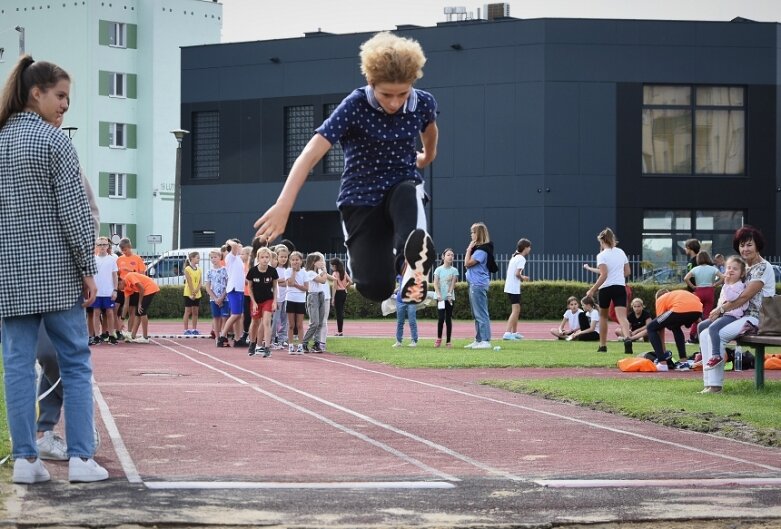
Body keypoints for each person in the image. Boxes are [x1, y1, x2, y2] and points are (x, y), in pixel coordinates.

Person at [254, 31, 439, 305]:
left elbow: (430, 129)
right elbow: (309, 154)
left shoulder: (422, 103)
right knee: (375, 288)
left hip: (401, 186)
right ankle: (387, 273)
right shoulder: (354, 106)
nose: (395, 103)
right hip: (360, 200)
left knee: (407, 192)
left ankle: (412, 267)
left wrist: (426, 157)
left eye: (402, 93)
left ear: (412, 83)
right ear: (371, 81)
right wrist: (284, 205)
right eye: (387, 94)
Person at [0, 54, 108, 483]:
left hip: (10, 274)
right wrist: (87, 267)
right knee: (76, 362)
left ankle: (26, 460)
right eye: (61, 96)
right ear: (36, 93)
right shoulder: (54, 141)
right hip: (57, 274)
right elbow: (75, 212)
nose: (65, 105)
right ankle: (82, 459)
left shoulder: (1, 140)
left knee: (16, 364)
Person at [699, 226, 773, 393]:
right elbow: (727, 292)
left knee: (717, 333)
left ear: (757, 246)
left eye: (749, 245)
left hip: (757, 317)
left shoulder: (763, 267)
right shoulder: (742, 268)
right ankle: (709, 384)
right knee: (704, 333)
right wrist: (720, 309)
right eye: (741, 245)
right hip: (739, 315)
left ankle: (715, 386)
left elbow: (745, 296)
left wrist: (721, 310)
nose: (744, 249)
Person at [697, 255, 748, 372]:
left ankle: (716, 355)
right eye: (729, 268)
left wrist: (725, 283)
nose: (731, 271)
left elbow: (731, 298)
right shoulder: (729, 285)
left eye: (735, 269)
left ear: (741, 273)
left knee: (713, 328)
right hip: (723, 314)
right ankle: (703, 354)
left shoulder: (740, 285)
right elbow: (721, 302)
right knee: (701, 325)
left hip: (732, 316)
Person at [586, 227, 632, 353]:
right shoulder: (621, 252)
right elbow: (628, 272)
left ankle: (602, 346)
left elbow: (604, 274)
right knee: (622, 317)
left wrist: (592, 290)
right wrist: (617, 276)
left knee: (603, 317)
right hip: (619, 287)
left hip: (605, 288)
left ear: (602, 241)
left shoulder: (601, 255)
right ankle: (627, 338)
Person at [645, 288, 703, 364]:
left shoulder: (661, 299)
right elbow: (700, 323)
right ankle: (683, 361)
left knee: (651, 327)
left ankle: (662, 363)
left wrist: (663, 353)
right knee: (675, 327)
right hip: (698, 308)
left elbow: (660, 329)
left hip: (680, 309)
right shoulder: (676, 296)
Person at [464, 222, 495, 349]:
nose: (471, 234)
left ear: (479, 234)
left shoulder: (482, 250)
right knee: (476, 313)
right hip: (474, 283)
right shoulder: (480, 249)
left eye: (473, 232)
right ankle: (479, 339)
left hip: (478, 284)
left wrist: (468, 249)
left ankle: (485, 340)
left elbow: (467, 263)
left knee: (481, 313)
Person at [246, 246, 278, 357]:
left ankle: (267, 347)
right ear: (258, 258)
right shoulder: (253, 271)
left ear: (269, 258)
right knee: (255, 323)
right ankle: (252, 343)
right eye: (262, 257)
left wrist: (275, 301)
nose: (265, 259)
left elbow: (275, 287)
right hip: (256, 301)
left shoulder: (272, 271)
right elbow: (249, 288)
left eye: (267, 257)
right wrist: (253, 302)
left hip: (268, 300)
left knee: (266, 322)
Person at [683, 251, 722, 343]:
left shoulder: (696, 269)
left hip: (699, 291)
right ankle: (705, 333)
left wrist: (693, 286)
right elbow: (723, 277)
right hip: (709, 290)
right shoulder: (713, 268)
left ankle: (693, 335)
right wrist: (716, 284)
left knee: (697, 314)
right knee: (707, 314)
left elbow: (686, 278)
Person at [89, 236, 119, 345]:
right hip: (96, 292)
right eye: (99, 245)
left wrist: (115, 290)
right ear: (96, 246)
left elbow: (115, 276)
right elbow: (90, 276)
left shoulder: (112, 259)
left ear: (107, 246)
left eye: (104, 244)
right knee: (96, 312)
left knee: (110, 312)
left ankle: (111, 335)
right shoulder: (93, 259)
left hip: (108, 291)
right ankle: (97, 336)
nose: (102, 247)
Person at [115, 238, 146, 340]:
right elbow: (116, 274)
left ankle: (129, 332)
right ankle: (117, 331)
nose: (124, 252)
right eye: (122, 251)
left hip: (134, 288)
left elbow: (142, 274)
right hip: (122, 288)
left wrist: (130, 270)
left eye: (125, 250)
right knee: (116, 309)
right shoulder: (119, 259)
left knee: (132, 311)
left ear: (130, 247)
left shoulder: (137, 259)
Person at [119, 271, 160, 343]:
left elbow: (142, 289)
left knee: (142, 311)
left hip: (149, 288)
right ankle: (132, 336)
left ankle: (145, 337)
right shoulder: (126, 289)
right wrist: (122, 320)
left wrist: (139, 303)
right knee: (138, 313)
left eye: (118, 286)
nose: (119, 289)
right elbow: (126, 305)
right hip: (145, 290)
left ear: (121, 282)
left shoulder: (129, 276)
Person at [503, 238, 531, 341]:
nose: (530, 249)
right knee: (516, 310)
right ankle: (507, 333)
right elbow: (517, 274)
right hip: (513, 288)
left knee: (516, 309)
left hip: (511, 287)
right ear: (525, 248)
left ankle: (514, 333)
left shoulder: (515, 257)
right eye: (529, 247)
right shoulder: (521, 259)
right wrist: (524, 278)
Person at [217, 239, 244, 348]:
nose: (240, 248)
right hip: (234, 289)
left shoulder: (238, 259)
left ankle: (238, 338)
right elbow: (233, 246)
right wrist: (230, 241)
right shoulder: (230, 257)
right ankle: (222, 336)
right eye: (239, 246)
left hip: (240, 289)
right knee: (236, 314)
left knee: (239, 315)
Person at [301, 252, 329, 353]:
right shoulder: (309, 273)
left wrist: (322, 271)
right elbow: (323, 280)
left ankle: (316, 344)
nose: (322, 262)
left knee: (320, 322)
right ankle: (304, 342)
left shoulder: (315, 272)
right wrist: (324, 271)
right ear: (313, 262)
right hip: (313, 297)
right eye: (319, 261)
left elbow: (321, 277)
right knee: (315, 323)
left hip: (320, 295)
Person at [433, 248, 458, 348]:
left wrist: (449, 294)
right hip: (440, 298)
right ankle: (439, 339)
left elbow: (453, 284)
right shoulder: (438, 270)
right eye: (448, 255)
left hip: (449, 298)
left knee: (448, 319)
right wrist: (438, 295)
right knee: (441, 318)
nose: (450, 256)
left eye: (452, 255)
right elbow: (435, 283)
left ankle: (448, 341)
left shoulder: (454, 270)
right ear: (443, 257)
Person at [285, 251, 308, 354]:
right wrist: (293, 272)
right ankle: (290, 345)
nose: (295, 262)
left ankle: (300, 345)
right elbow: (290, 284)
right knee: (291, 325)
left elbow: (305, 288)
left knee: (299, 325)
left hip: (300, 300)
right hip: (290, 299)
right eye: (293, 260)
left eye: (297, 260)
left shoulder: (304, 273)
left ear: (301, 261)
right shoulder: (287, 271)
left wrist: (296, 285)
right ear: (290, 261)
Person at [204, 249, 229, 342]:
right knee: (216, 317)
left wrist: (222, 297)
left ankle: (224, 336)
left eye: (215, 257)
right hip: (213, 299)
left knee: (224, 317)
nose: (213, 259)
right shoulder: (209, 272)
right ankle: (217, 337)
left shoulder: (225, 270)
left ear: (220, 257)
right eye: (211, 257)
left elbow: (228, 285)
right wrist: (215, 298)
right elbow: (207, 287)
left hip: (225, 298)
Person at [271, 244, 290, 348]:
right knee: (275, 319)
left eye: (285, 257)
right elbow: (275, 282)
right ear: (277, 257)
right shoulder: (274, 269)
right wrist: (283, 281)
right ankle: (273, 338)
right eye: (281, 257)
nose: (283, 259)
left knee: (284, 319)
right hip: (277, 298)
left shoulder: (287, 269)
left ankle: (283, 338)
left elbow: (289, 282)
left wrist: (282, 281)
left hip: (286, 297)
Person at [393, 273, 418, 347]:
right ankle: (398, 341)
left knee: (412, 321)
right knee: (400, 322)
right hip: (400, 300)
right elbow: (400, 285)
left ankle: (414, 341)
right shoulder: (399, 274)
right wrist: (395, 290)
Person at [330, 257, 351, 337]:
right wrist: (345, 287)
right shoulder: (343, 272)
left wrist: (333, 298)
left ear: (335, 266)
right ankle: (340, 330)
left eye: (332, 266)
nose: (331, 267)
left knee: (338, 313)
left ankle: (340, 331)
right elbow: (351, 281)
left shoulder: (335, 274)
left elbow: (334, 287)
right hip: (344, 293)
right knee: (341, 312)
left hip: (338, 293)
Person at [182, 251, 203, 335]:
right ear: (192, 258)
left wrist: (197, 291)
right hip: (188, 293)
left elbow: (200, 282)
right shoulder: (187, 269)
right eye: (197, 257)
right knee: (188, 311)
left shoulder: (199, 269)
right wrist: (192, 293)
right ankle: (186, 329)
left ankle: (194, 329)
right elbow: (189, 281)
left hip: (197, 294)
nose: (199, 259)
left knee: (195, 312)